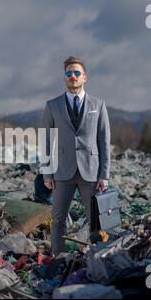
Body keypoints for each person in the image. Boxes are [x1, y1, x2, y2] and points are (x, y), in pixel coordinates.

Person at [42, 56, 111, 256]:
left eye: (77, 73)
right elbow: (46, 141)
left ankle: (98, 256)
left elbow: (103, 142)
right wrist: (47, 173)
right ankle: (58, 257)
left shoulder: (98, 105)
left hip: (91, 171)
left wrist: (104, 174)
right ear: (64, 78)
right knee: (58, 219)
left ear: (85, 77)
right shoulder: (52, 105)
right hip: (62, 172)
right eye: (69, 73)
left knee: (96, 220)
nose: (73, 76)